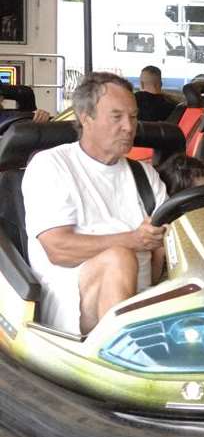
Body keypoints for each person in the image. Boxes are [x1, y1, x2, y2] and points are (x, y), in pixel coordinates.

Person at [21, 72, 168, 335]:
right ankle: (126, 356)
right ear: (85, 117)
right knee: (117, 258)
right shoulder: (51, 166)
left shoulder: (144, 175)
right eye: (117, 117)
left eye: (133, 117)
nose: (129, 127)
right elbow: (58, 249)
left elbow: (170, 236)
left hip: (145, 300)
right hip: (73, 305)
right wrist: (133, 240)